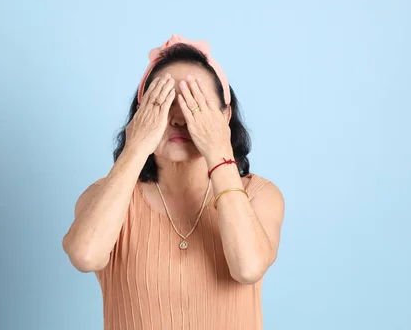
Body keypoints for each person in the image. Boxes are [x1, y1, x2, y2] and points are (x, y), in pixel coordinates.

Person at [62, 34, 285, 330]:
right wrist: (137, 147)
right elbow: (85, 256)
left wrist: (219, 150)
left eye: (196, 103)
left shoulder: (259, 195)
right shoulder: (104, 198)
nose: (179, 118)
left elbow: (248, 268)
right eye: (165, 102)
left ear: (225, 114)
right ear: (142, 113)